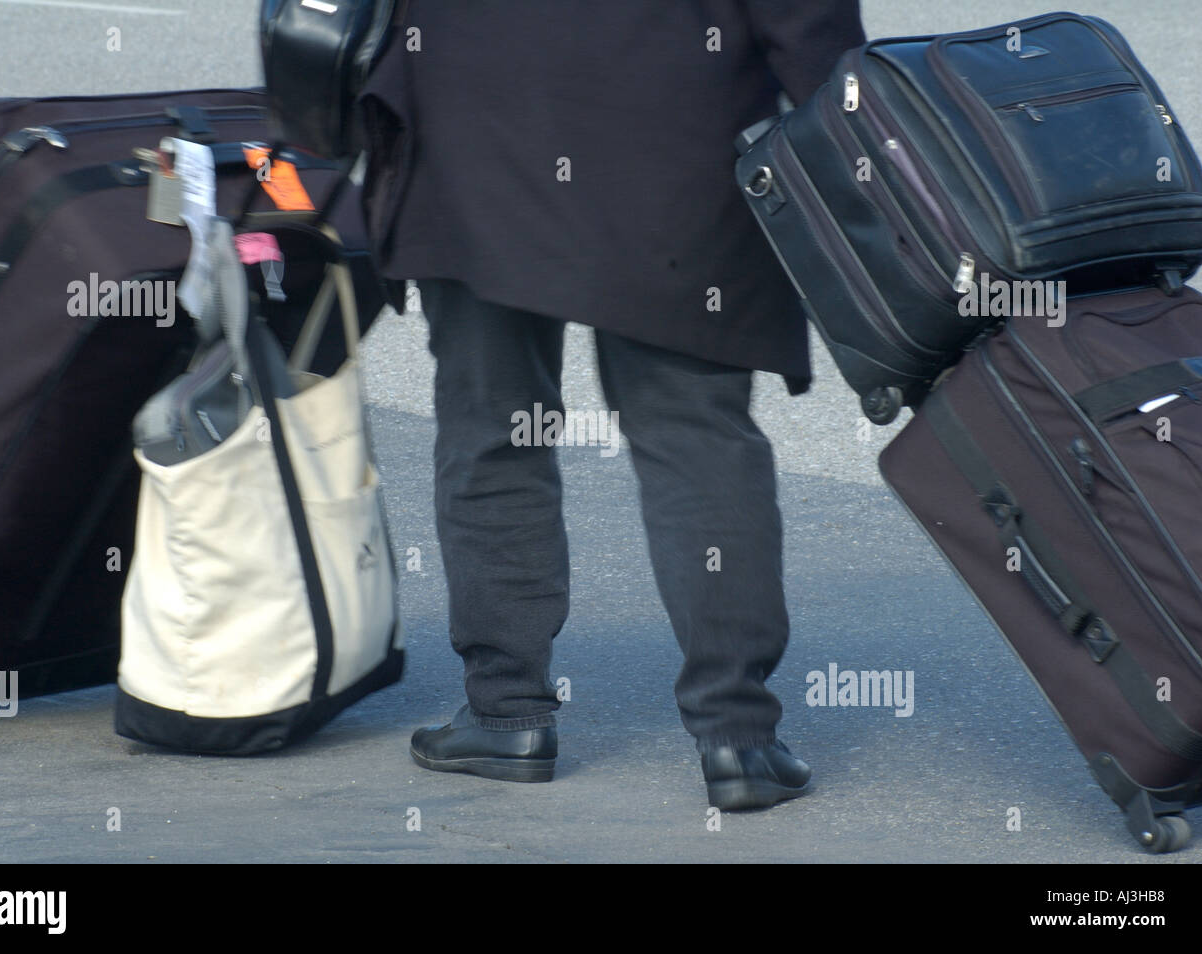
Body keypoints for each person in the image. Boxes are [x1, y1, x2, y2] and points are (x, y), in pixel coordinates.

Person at [358, 0, 866, 811]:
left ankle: (507, 713)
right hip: (671, 122)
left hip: (472, 106)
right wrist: (852, 147)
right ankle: (738, 739)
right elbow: (808, 23)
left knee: (491, 420)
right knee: (692, 429)